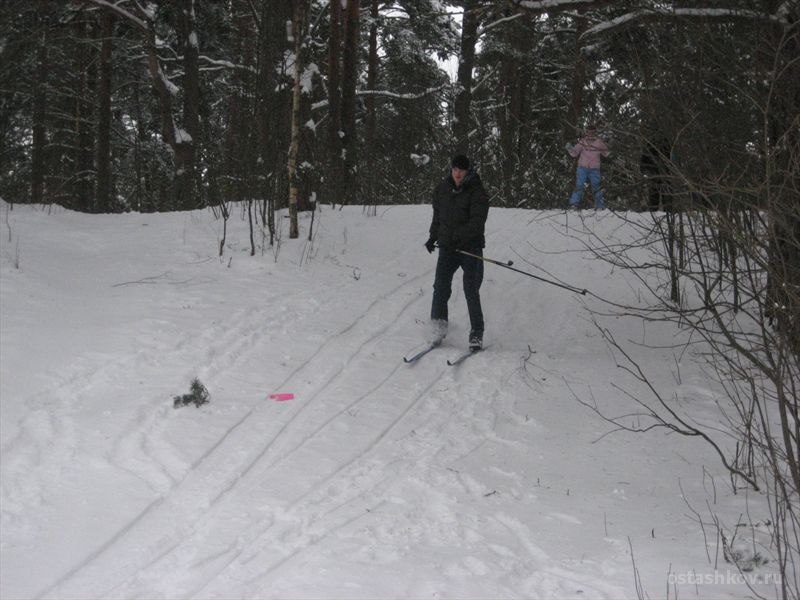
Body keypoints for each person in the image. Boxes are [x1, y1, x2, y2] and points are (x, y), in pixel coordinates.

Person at [424, 154, 490, 351]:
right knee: (440, 286)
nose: (458, 173)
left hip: (470, 248)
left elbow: (477, 223)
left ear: (468, 171)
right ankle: (438, 328)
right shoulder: (442, 189)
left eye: (461, 170)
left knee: (470, 289)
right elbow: (438, 217)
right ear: (451, 169)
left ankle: (476, 333)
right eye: (455, 169)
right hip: (447, 248)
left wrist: (458, 238)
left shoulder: (477, 192)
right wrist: (432, 236)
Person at [566, 125, 610, 210]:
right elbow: (574, 153)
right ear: (586, 132)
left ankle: (599, 205)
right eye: (588, 132)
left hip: (594, 169)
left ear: (595, 132)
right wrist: (569, 148)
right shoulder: (582, 142)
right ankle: (573, 204)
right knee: (579, 185)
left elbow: (606, 153)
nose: (590, 134)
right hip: (582, 168)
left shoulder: (599, 142)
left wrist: (611, 147)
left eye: (592, 132)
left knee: (596, 186)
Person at [640, 136, 672, 211]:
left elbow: (643, 161)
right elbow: (643, 161)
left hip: (660, 174)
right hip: (657, 174)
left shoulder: (665, 144)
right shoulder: (651, 145)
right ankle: (662, 212)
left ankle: (663, 212)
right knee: (657, 197)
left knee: (661, 197)